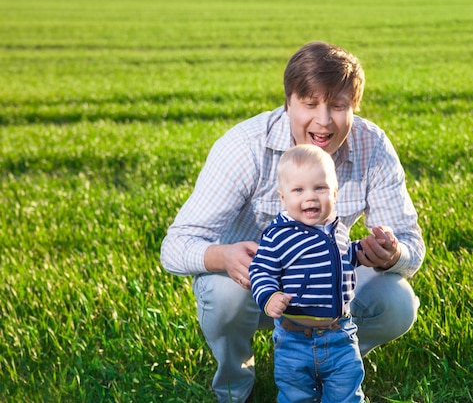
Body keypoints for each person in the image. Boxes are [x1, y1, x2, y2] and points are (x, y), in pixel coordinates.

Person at [160, 41, 426, 403]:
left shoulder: (372, 145)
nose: (324, 120)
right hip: (253, 285)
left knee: (396, 300)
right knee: (222, 296)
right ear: (288, 102)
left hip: (327, 292)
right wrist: (223, 257)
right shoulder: (245, 146)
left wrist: (393, 254)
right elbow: (174, 245)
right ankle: (236, 387)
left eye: (338, 105)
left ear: (354, 107)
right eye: (310, 103)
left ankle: (328, 364)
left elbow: (411, 242)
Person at [250, 144, 368, 402]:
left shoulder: (339, 230)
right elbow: (260, 270)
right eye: (298, 190)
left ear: (335, 193)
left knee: (347, 394)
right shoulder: (277, 235)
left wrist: (362, 251)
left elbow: (343, 260)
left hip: (341, 335)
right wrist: (269, 296)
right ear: (283, 198)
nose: (310, 197)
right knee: (295, 395)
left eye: (320, 188)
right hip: (294, 339)